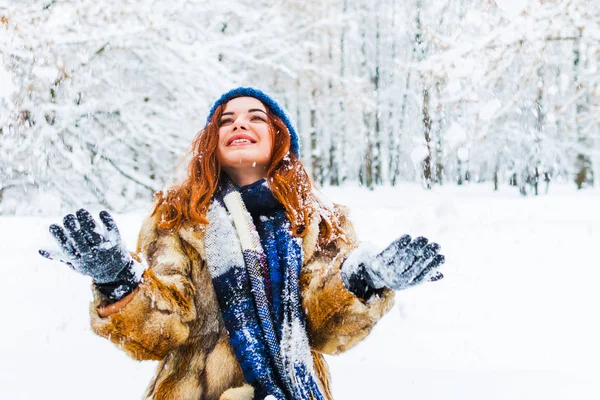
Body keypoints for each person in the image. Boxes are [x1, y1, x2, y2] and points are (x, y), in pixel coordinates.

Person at [40, 87, 445, 400]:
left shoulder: (318, 221)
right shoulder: (178, 218)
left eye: (256, 117)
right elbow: (163, 329)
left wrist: (363, 278)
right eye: (226, 120)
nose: (239, 125)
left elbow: (322, 327)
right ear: (212, 142)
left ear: (278, 138)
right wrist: (118, 280)